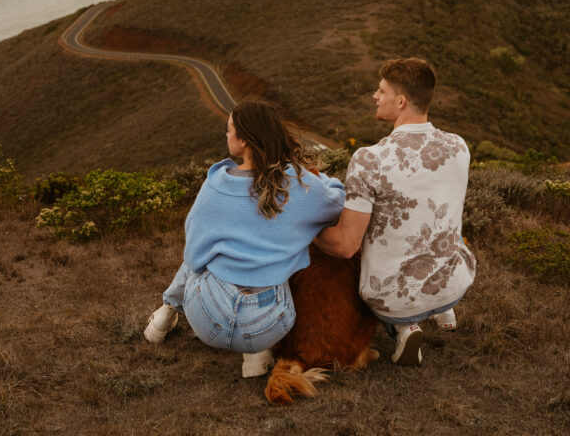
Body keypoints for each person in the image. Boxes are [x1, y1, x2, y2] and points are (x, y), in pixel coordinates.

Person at [144, 99, 345, 377]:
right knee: (268, 262)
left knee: (204, 251)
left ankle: (166, 312)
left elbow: (193, 258)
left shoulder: (216, 185)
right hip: (268, 325)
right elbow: (337, 200)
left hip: (207, 321)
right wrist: (322, 179)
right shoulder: (301, 185)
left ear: (244, 142)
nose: (226, 135)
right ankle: (255, 351)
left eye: (229, 130)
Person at [314, 57, 475, 367]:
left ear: (401, 101)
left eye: (381, 90)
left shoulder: (369, 160)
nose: (375, 96)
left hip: (394, 301)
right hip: (456, 282)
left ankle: (404, 327)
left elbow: (346, 246)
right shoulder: (459, 147)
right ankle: (442, 309)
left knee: (367, 267)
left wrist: (310, 231)